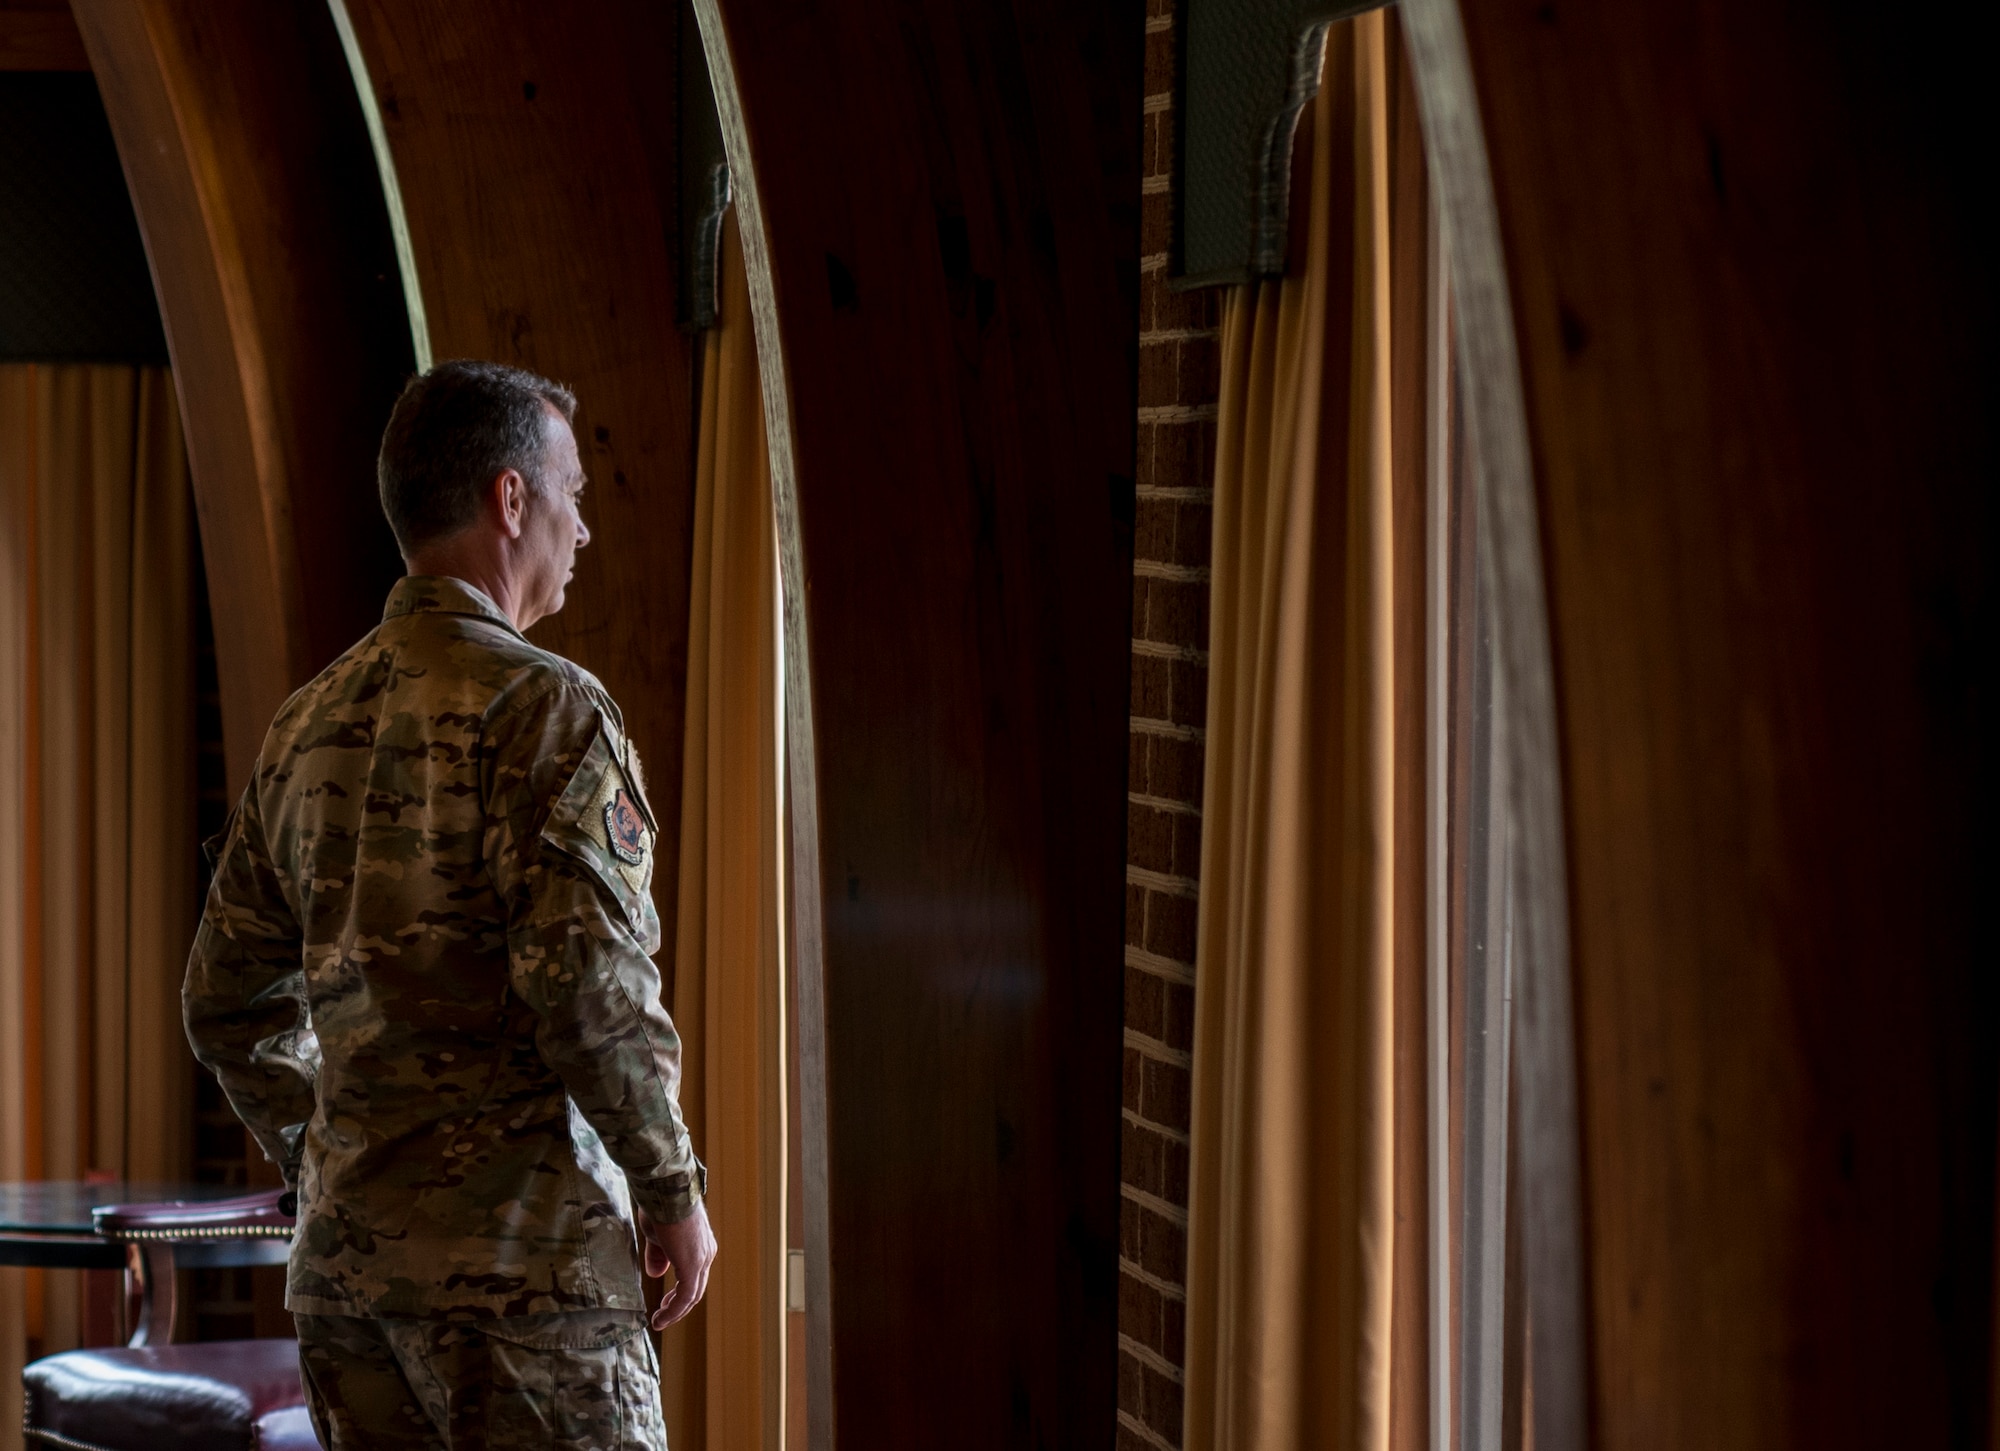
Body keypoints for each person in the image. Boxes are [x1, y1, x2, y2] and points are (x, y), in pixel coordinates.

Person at [183, 359, 715, 1449]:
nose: (582, 530)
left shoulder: (305, 722)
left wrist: (328, 1145)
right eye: (570, 495)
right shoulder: (545, 706)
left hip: (350, 1281)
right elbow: (590, 989)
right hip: (524, 1280)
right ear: (508, 499)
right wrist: (672, 1189)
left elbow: (223, 998)